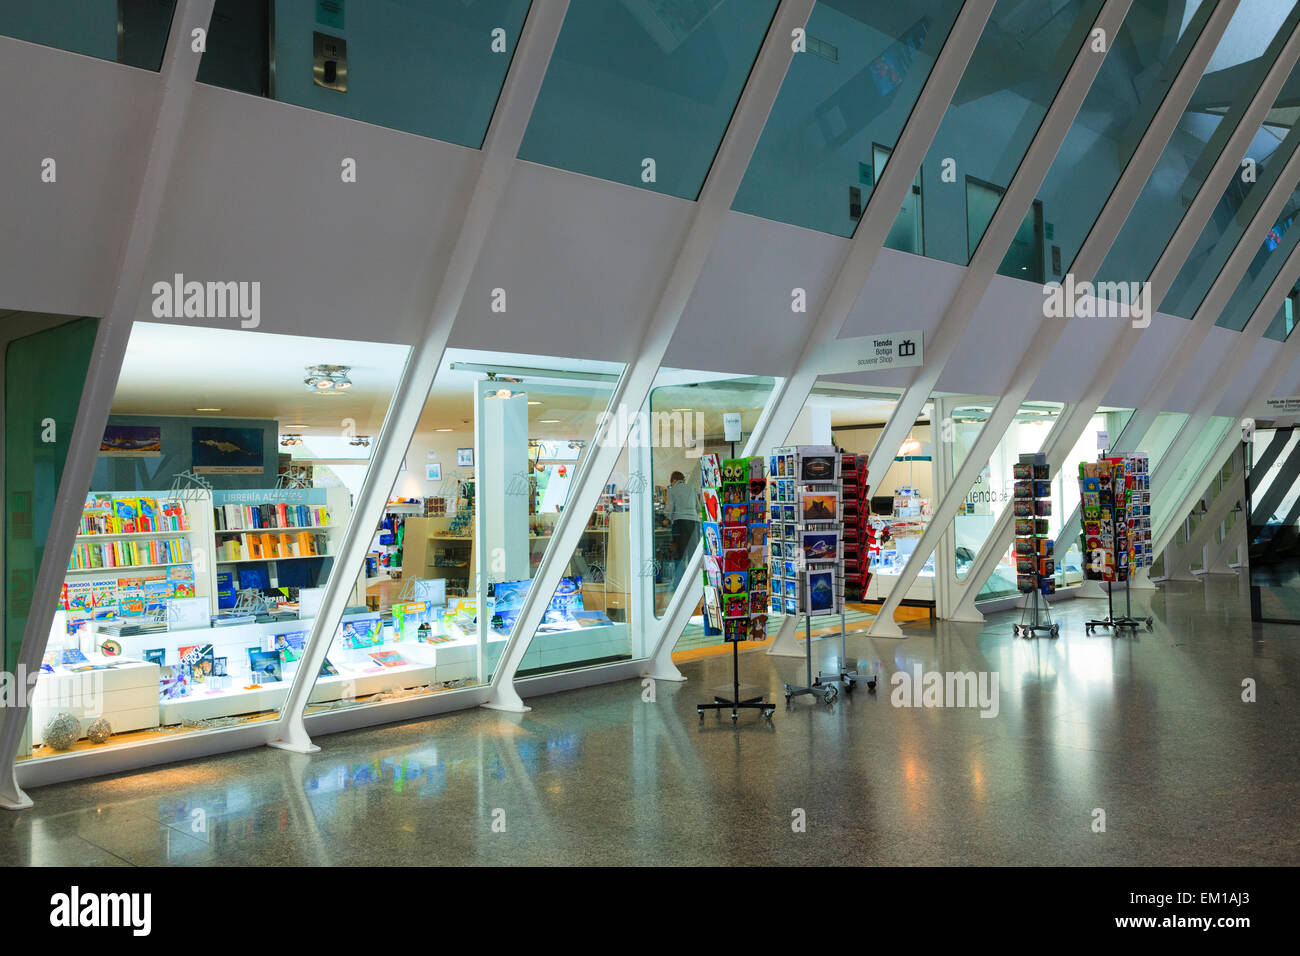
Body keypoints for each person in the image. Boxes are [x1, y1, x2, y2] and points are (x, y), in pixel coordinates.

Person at [665, 470, 699, 588]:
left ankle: (679, 584)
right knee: (692, 554)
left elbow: (669, 510)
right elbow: (698, 507)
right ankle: (693, 584)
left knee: (679, 555)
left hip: (680, 523)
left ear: (673, 480)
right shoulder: (691, 489)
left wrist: (668, 519)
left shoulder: (672, 490)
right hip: (694, 523)